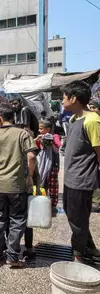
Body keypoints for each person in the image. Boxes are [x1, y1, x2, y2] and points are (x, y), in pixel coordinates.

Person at [0, 103, 37, 268]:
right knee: (17, 219)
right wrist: (29, 176)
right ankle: (12, 256)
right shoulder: (22, 134)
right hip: (16, 185)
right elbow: (32, 157)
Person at [62, 81, 100, 264]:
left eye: (64, 97)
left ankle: (78, 256)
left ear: (73, 98)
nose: (62, 101)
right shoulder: (73, 119)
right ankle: (90, 248)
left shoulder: (93, 120)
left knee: (78, 220)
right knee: (74, 216)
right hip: (70, 178)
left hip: (82, 179)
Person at [35, 119, 61, 212]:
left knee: (53, 185)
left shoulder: (55, 136)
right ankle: (43, 202)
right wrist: (38, 139)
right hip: (42, 165)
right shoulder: (41, 137)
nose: (39, 130)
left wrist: (51, 139)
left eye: (41, 129)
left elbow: (58, 146)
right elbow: (35, 145)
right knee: (43, 183)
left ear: (48, 129)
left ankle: (53, 204)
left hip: (52, 165)